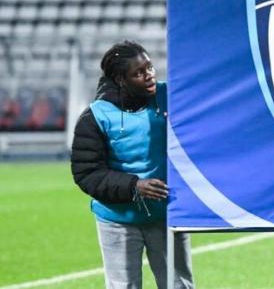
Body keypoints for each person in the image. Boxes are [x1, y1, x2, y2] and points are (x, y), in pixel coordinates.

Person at [71, 40, 194, 289]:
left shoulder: (172, 97)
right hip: (117, 219)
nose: (149, 75)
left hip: (167, 214)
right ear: (120, 80)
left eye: (149, 67)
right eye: (138, 73)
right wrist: (134, 186)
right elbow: (87, 173)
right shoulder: (95, 116)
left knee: (179, 286)